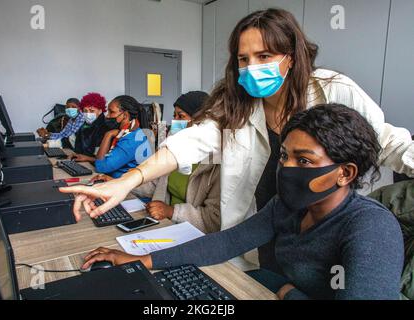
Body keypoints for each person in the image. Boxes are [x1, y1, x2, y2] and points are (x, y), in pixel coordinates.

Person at [60, 9, 413, 238]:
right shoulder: (236, 104)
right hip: (255, 228)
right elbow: (190, 142)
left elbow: (387, 140)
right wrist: (128, 181)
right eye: (243, 59)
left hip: (318, 232)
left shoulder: (332, 90)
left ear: (291, 56)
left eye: (264, 56)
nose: (251, 67)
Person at [79, 104, 405, 300]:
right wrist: (141, 261)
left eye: (303, 161)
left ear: (345, 173)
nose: (286, 169)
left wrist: (292, 294)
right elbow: (229, 241)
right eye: (284, 157)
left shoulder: (371, 227)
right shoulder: (288, 205)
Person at [126, 91, 221, 233]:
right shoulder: (175, 150)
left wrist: (171, 211)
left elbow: (214, 219)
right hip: (164, 223)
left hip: (191, 233)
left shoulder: (215, 163)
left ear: (200, 122)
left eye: (181, 116)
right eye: (174, 115)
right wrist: (126, 182)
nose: (175, 121)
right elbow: (155, 184)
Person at [74, 95, 152, 178]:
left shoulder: (131, 140)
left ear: (125, 115)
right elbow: (112, 159)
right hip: (116, 179)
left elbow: (101, 167)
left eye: (111, 112)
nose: (107, 116)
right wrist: (88, 158)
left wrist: (108, 135)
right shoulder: (127, 132)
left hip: (126, 187)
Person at [72, 92, 110, 157]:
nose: (88, 113)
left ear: (100, 111)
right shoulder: (84, 125)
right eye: (85, 111)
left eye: (92, 111)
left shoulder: (105, 127)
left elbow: (101, 156)